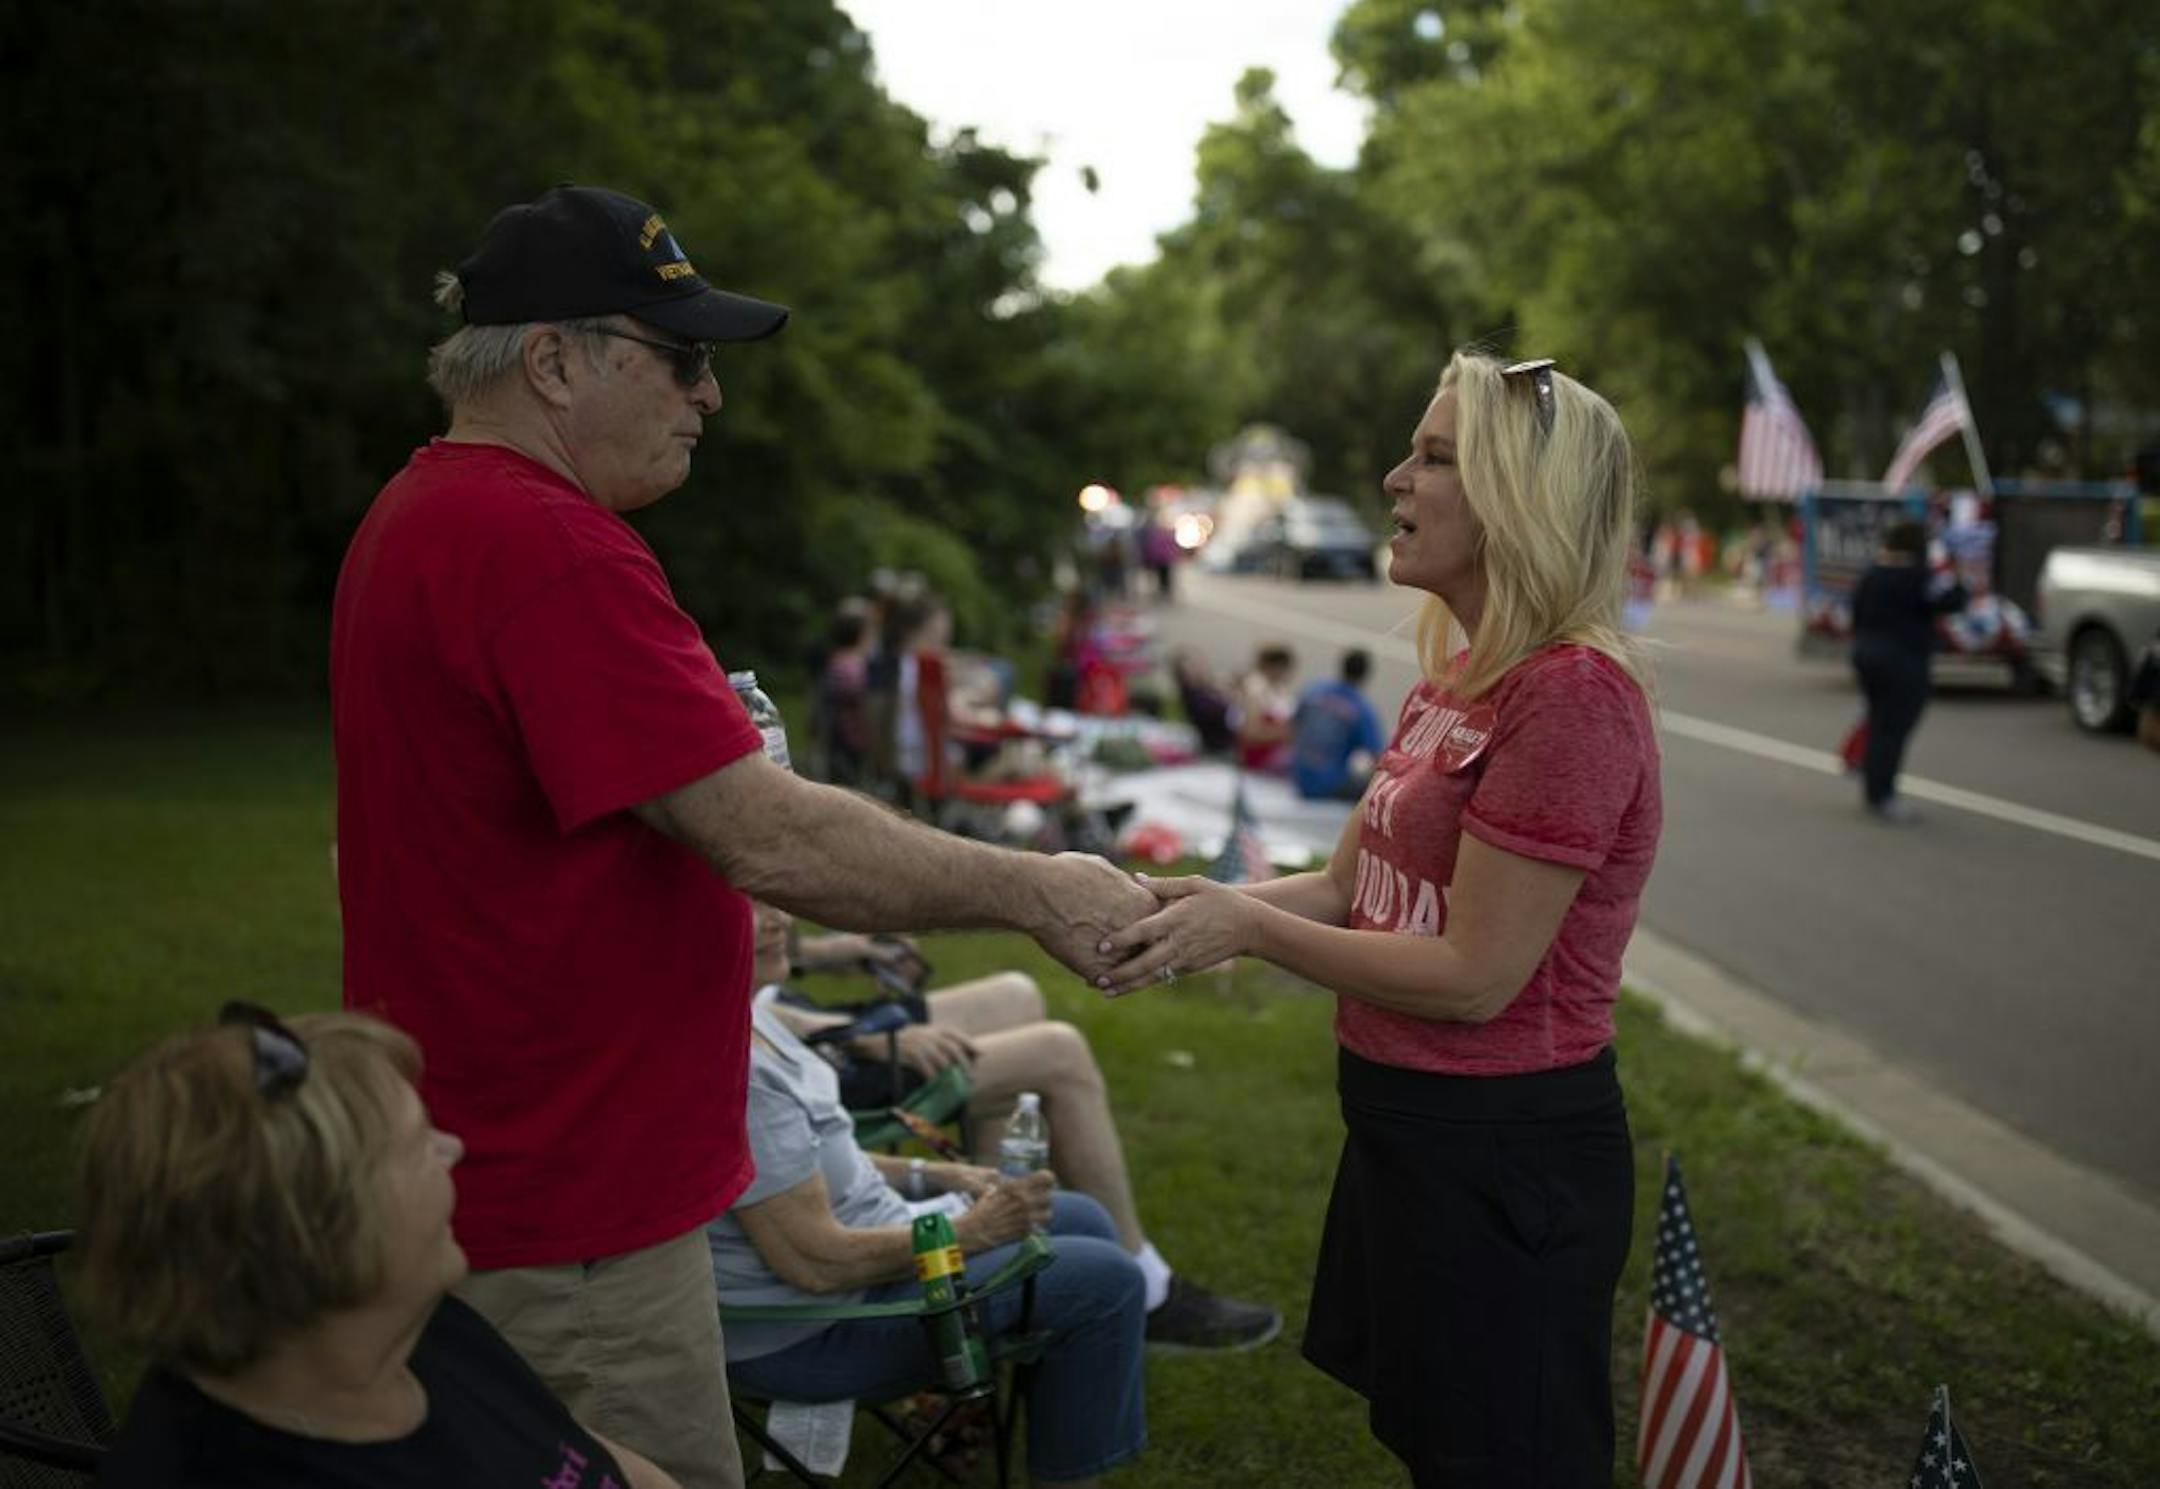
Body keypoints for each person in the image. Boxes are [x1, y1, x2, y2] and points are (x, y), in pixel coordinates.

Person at [329, 183, 1153, 1489]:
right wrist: (1040, 888)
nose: (707, 396)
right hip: (575, 1216)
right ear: (553, 361)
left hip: (502, 1175)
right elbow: (765, 834)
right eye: (682, 357)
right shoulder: (547, 547)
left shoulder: (423, 515)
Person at [1100, 352, 1659, 1487]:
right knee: (1434, 1444)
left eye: (1436, 457)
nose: (1396, 479)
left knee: (1507, 1461)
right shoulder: (1450, 681)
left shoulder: (1570, 697)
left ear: (1522, 499)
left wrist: (1245, 931)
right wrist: (1164, 905)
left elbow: (1473, 976)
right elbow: (1343, 890)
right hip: (1408, 1131)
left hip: (1506, 1156)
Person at [80, 1006, 678, 1489]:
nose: (453, 1150)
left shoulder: (420, 1332)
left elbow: (586, 1454)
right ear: (319, 1229)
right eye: (419, 1142)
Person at [711, 905, 1148, 1488]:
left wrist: (942, 1177)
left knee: (1085, 1219)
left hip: (864, 1274)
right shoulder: (745, 1079)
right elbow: (813, 1262)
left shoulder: (757, 1021)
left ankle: (1039, 1420)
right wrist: (975, 1232)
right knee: (1107, 1283)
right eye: (746, 909)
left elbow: (820, 1162)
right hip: (815, 1332)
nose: (775, 920)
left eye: (767, 902)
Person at [776, 925, 1281, 1349]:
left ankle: (991, 1249)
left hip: (798, 1020)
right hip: (805, 1051)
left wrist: (819, 952)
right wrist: (852, 1033)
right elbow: (737, 1010)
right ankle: (1145, 1288)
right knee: (1058, 1054)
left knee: (1019, 993)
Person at [1849, 518, 1966, 823]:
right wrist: (1955, 574)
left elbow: (1855, 612)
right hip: (1902, 661)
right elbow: (1953, 600)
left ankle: (1873, 779)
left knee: (1878, 722)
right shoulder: (1919, 576)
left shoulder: (1873, 573)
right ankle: (1882, 792)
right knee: (1894, 729)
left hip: (1867, 654)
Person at [1289, 648, 1385, 801]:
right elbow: (1377, 757)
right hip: (1328, 786)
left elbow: (1292, 726)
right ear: (1365, 675)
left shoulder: (1313, 690)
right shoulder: (1361, 709)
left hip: (1298, 776)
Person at [1233, 644, 1299, 772]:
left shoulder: (1278, 689)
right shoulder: (1255, 689)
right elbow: (1250, 734)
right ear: (1276, 667)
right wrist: (1288, 733)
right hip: (1259, 759)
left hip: (1274, 751)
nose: (1290, 674)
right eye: (1287, 669)